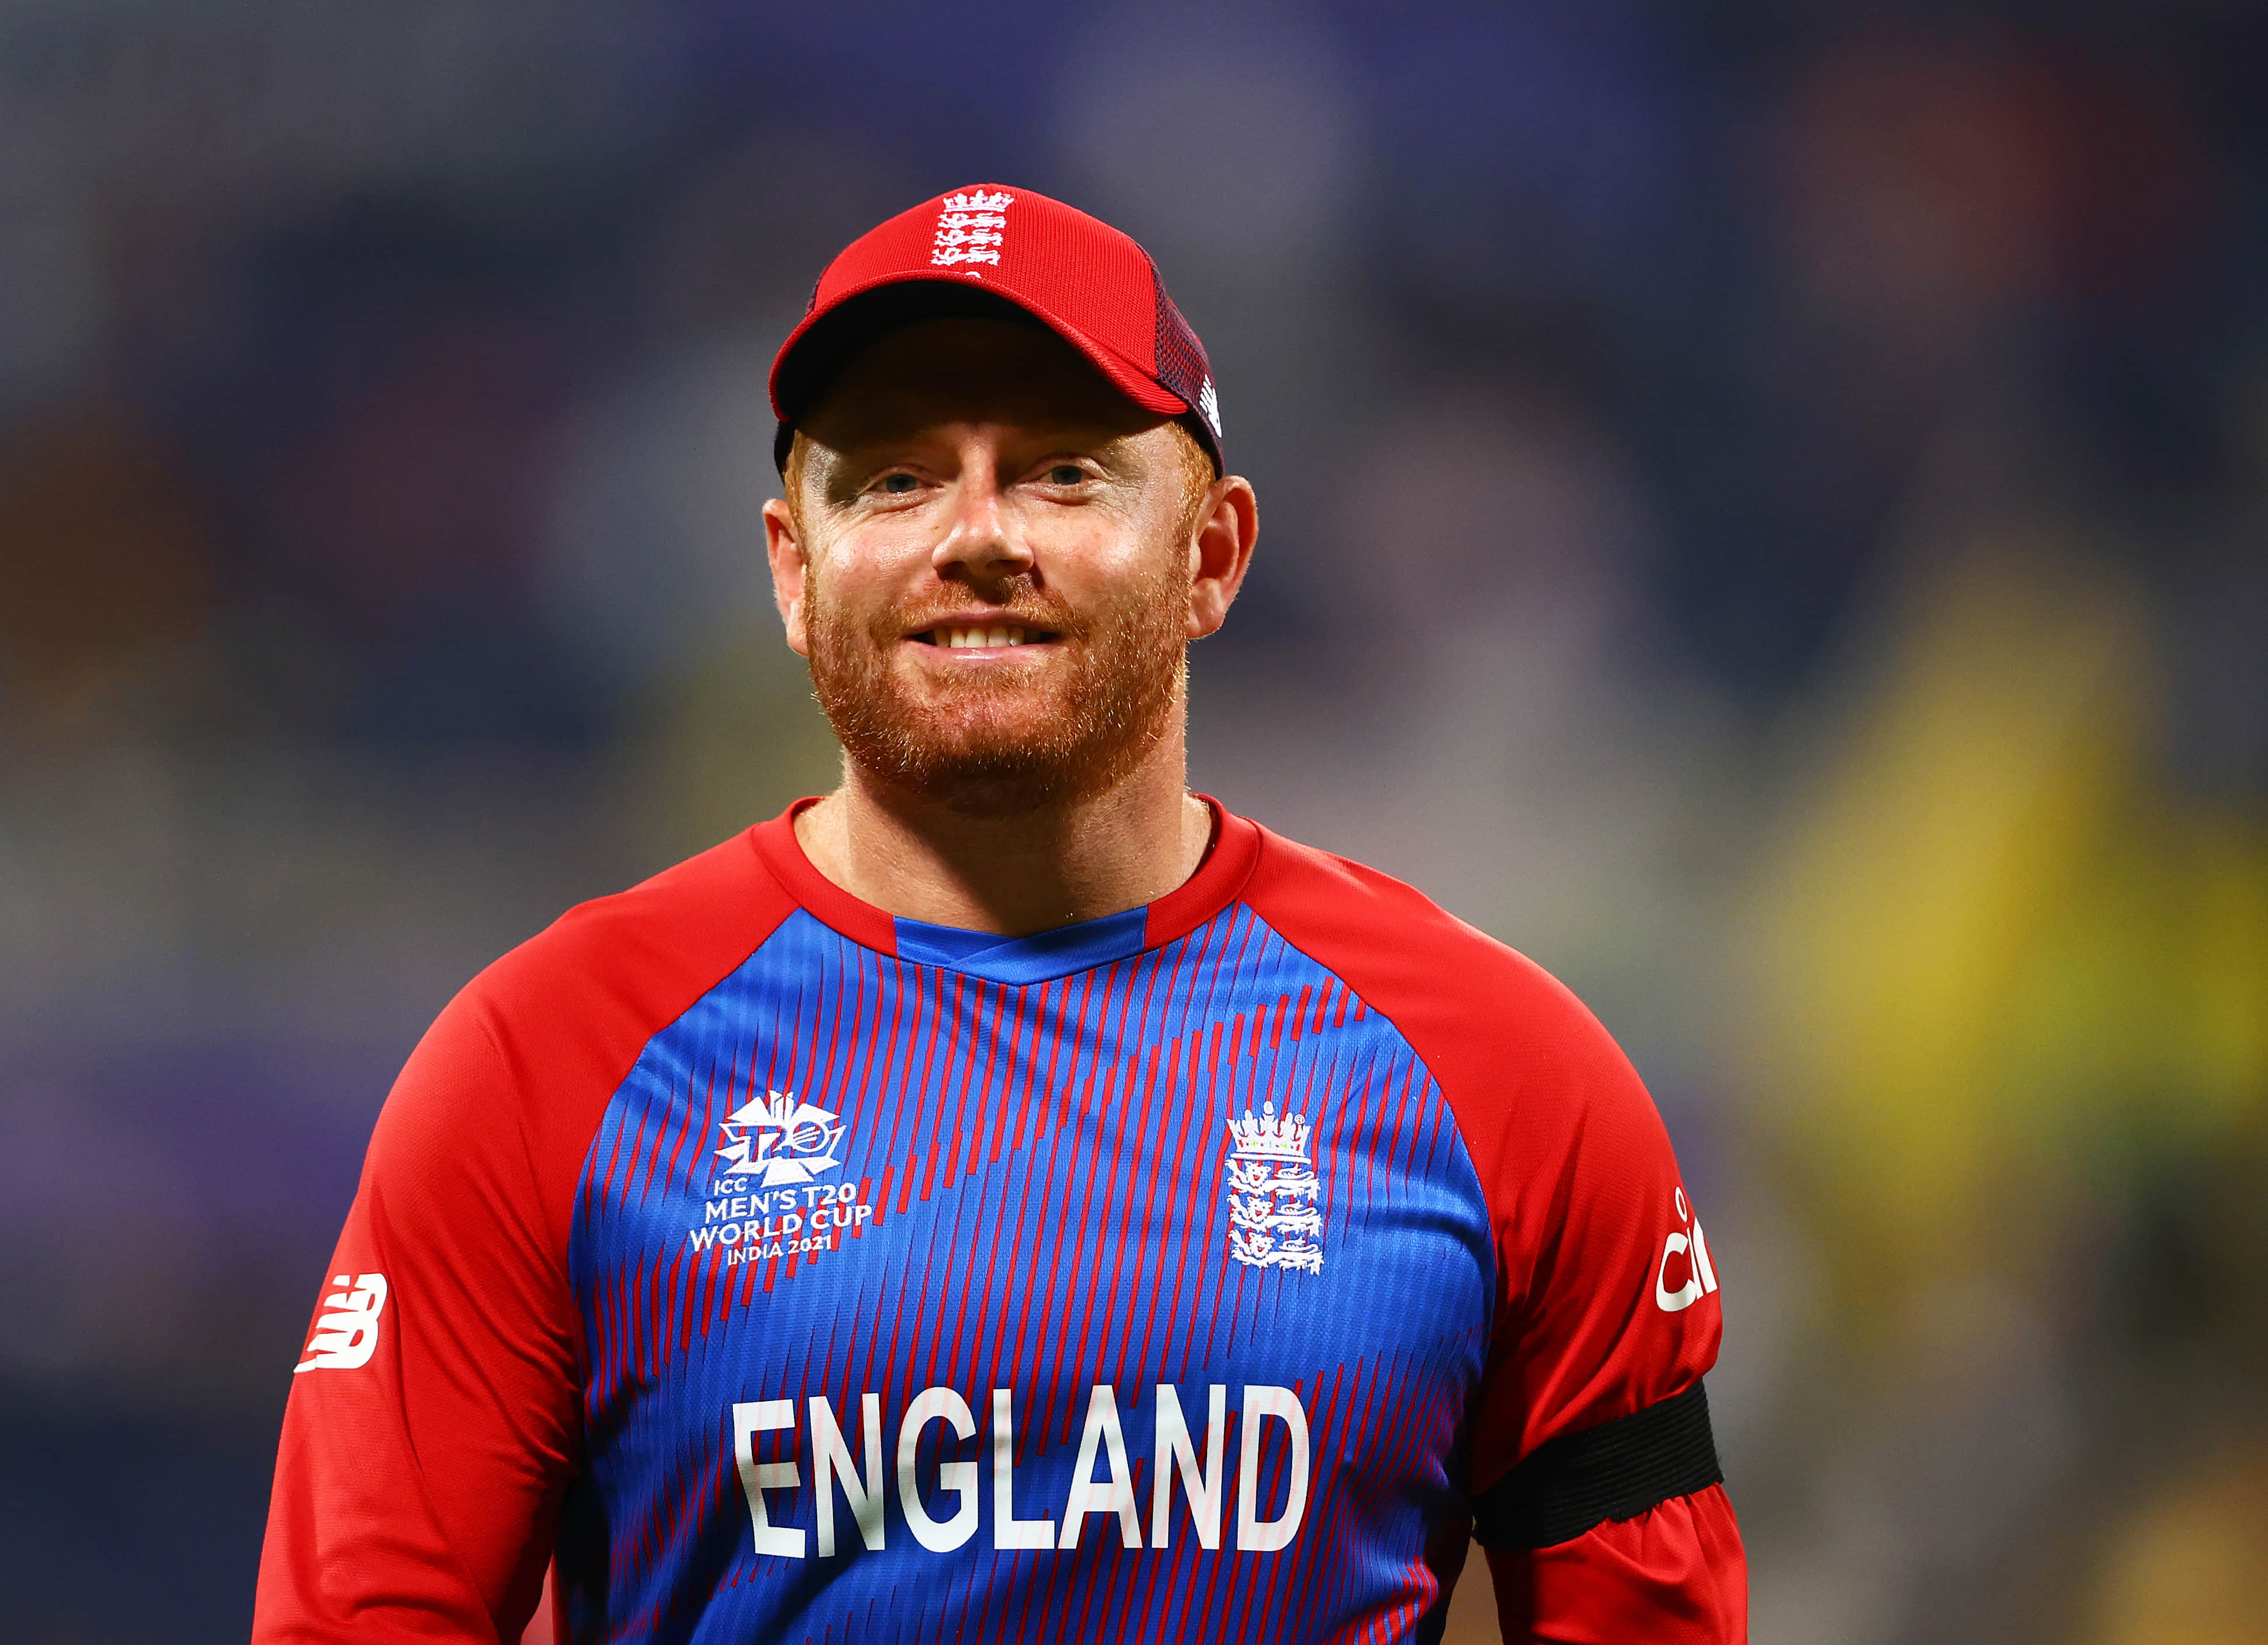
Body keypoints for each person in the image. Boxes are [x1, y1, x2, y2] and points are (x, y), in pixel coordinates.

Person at [253, 185, 1747, 1644]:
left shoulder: (1502, 1074)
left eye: (1060, 471)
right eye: (893, 477)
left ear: (1210, 556)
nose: (972, 532)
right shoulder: (545, 1062)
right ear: (792, 568)